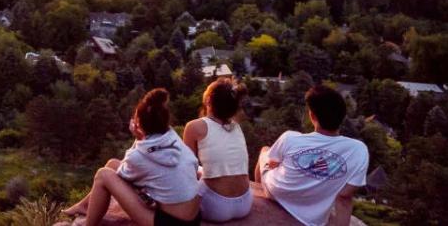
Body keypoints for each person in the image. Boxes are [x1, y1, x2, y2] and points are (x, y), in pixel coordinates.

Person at [65, 89, 202, 226]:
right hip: (194, 218)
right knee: (112, 164)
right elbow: (133, 162)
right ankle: (84, 206)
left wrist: (138, 139)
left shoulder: (138, 156)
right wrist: (142, 137)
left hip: (170, 222)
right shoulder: (173, 138)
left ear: (139, 125)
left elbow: (127, 170)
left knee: (102, 175)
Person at [256, 85, 369, 226]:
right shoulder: (358, 150)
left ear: (312, 116)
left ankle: (259, 193)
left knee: (265, 151)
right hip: (313, 219)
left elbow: (273, 161)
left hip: (277, 193)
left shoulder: (290, 138)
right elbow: (344, 196)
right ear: (342, 117)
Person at [182, 78, 251, 222]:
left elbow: (187, 167)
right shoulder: (236, 126)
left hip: (216, 206)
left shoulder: (194, 127)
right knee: (204, 170)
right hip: (245, 203)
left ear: (208, 100)